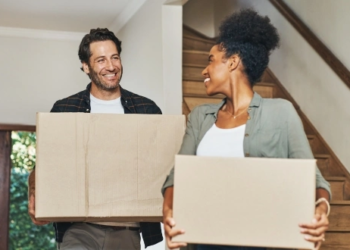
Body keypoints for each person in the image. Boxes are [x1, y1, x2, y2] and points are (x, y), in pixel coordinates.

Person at [161, 9, 331, 250]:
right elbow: (177, 176)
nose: (204, 70)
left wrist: (321, 209)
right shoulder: (200, 117)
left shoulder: (281, 112)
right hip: (205, 243)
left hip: (264, 243)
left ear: (233, 61)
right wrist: (168, 211)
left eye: (210, 60)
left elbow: (314, 179)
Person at [28, 28, 163, 250]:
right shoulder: (64, 109)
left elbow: (161, 167)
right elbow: (45, 164)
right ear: (86, 66)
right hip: (79, 228)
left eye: (115, 57)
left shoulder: (147, 109)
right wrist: (35, 193)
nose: (111, 66)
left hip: (127, 229)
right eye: (100, 60)